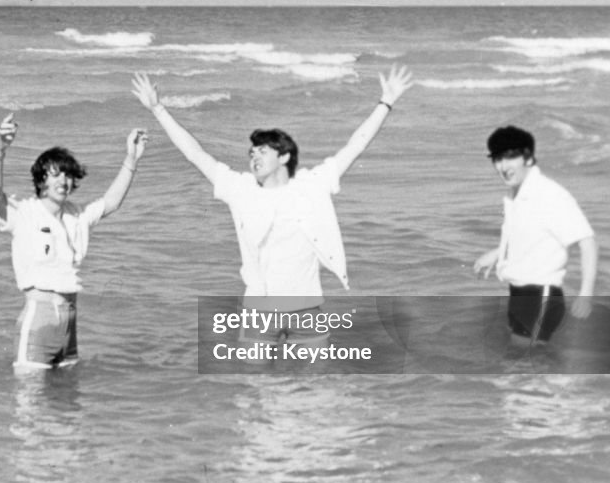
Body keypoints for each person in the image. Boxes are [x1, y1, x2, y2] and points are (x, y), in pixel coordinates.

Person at [131, 67, 413, 312]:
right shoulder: (240, 188)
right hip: (259, 307)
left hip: (305, 309)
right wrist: (158, 109)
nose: (254, 156)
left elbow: (355, 146)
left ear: (284, 157)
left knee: (312, 374)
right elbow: (196, 153)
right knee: (255, 375)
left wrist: (385, 101)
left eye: (262, 151)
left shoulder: (312, 184)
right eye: (252, 151)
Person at [0, 113, 147, 370]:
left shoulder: (77, 215)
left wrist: (131, 159)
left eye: (68, 176)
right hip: (40, 319)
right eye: (56, 174)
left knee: (68, 404)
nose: (64, 181)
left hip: (69, 324)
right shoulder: (25, 212)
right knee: (31, 404)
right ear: (41, 181)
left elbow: (111, 202)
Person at [472, 125, 597, 343]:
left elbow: (588, 242)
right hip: (520, 293)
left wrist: (586, 294)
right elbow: (527, 235)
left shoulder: (550, 195)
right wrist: (497, 253)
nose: (503, 166)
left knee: (523, 366)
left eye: (511, 157)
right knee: (526, 365)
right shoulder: (518, 194)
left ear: (528, 158)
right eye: (498, 159)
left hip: (542, 296)